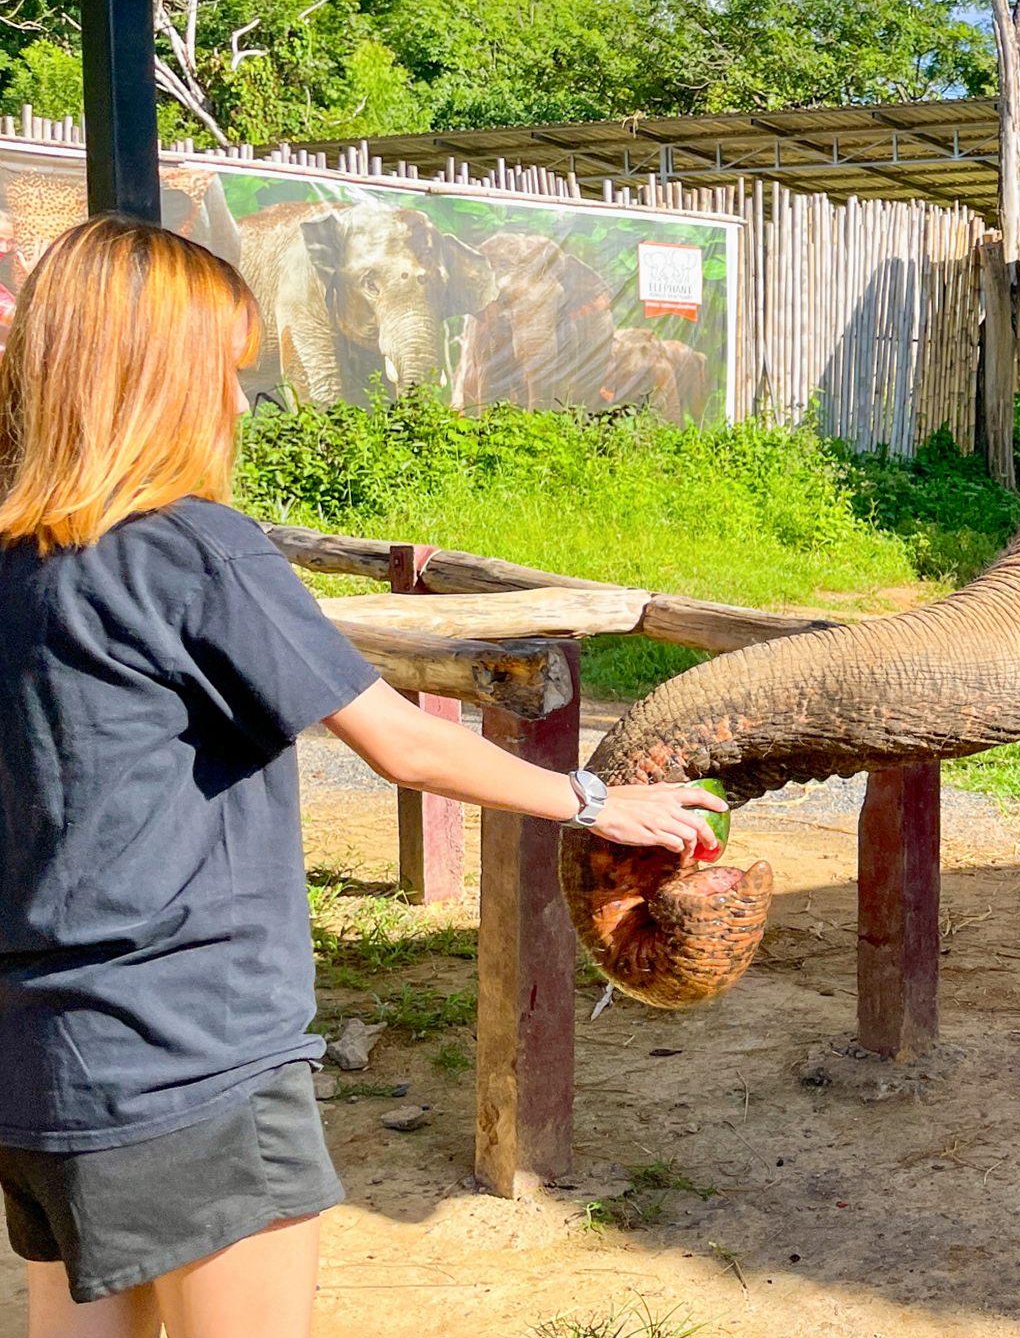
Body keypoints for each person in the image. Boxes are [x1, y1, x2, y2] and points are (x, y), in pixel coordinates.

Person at [0, 217, 719, 1338]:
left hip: (40, 1066)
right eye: (222, 376)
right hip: (193, 1055)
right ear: (152, 384)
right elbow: (402, 740)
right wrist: (591, 796)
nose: (241, 406)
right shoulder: (198, 548)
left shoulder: (18, 562)